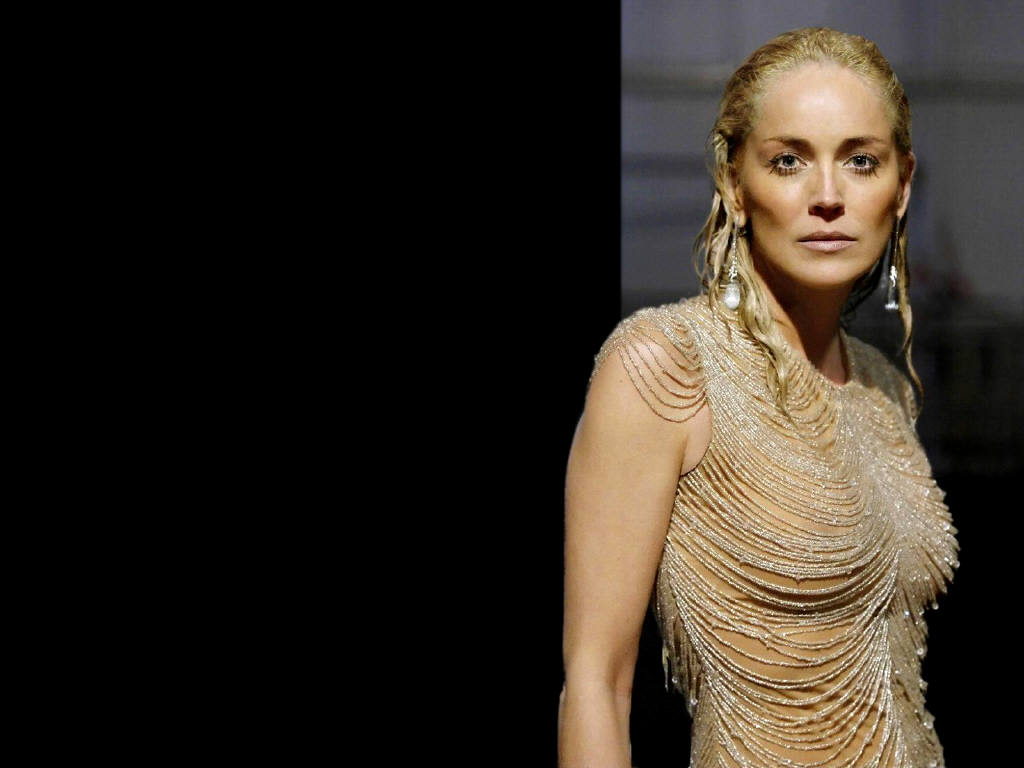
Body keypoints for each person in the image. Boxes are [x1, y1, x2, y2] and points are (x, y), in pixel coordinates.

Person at [558, 27, 960, 768]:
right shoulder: (665, 365)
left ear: (902, 186)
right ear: (734, 186)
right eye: (788, 161)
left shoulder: (883, 386)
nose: (828, 197)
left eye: (860, 161)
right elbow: (596, 683)